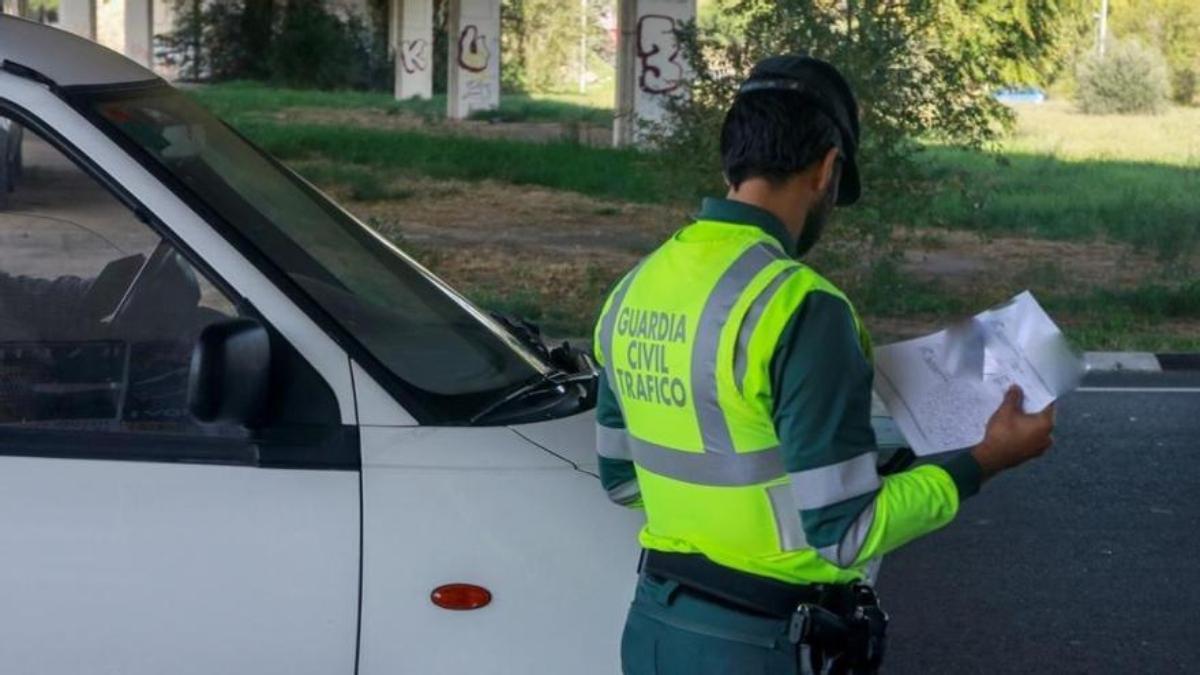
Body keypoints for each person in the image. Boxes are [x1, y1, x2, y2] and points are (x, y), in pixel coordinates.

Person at [591, 54, 1056, 675]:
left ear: (733, 157)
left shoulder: (633, 290)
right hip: (763, 644)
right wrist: (983, 463)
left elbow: (624, 478)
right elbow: (847, 533)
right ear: (827, 170)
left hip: (655, 633)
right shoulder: (801, 307)